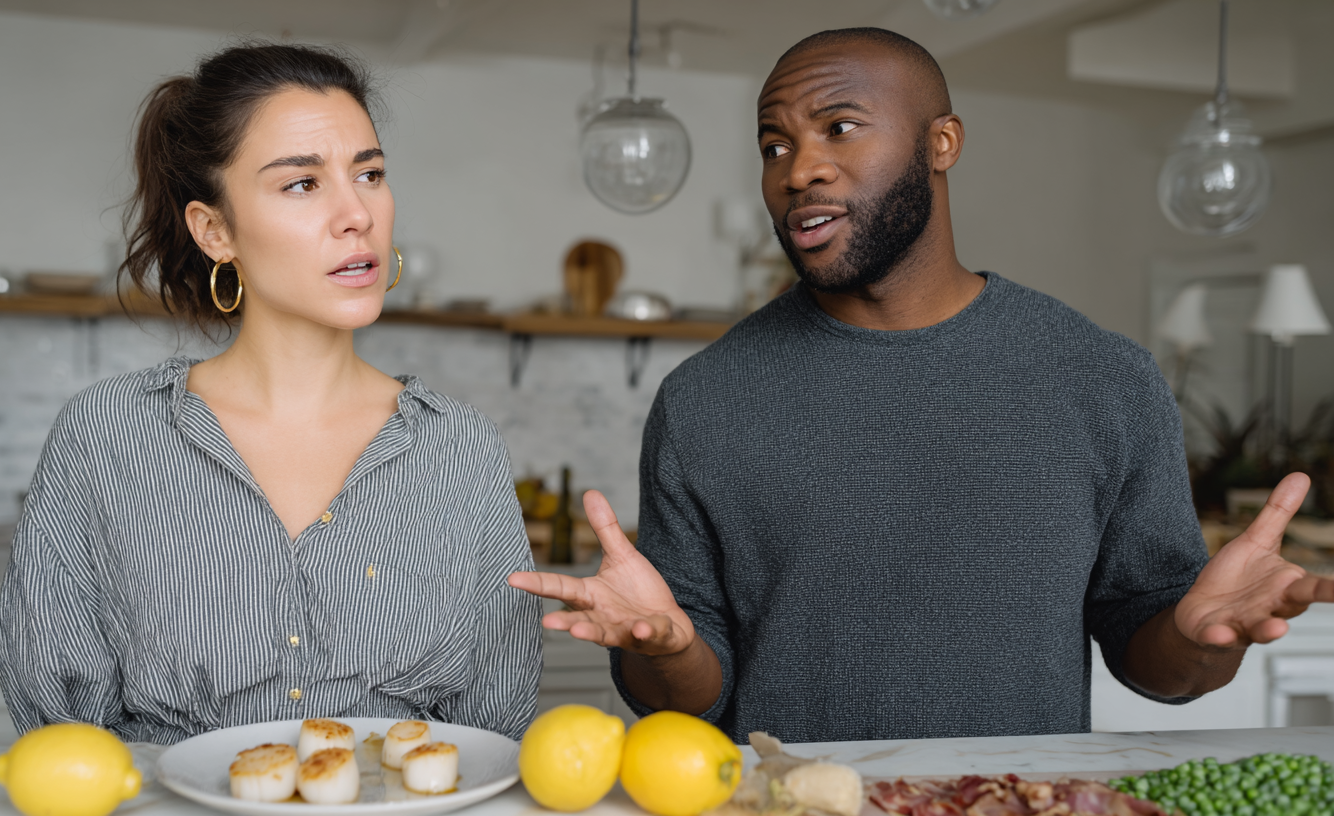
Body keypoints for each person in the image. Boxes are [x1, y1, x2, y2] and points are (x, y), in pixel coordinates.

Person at [509, 28, 1334, 743]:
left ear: (942, 142)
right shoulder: (704, 400)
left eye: (839, 127)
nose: (799, 171)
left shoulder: (1104, 379)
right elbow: (682, 699)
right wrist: (663, 651)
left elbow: (1156, 665)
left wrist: (1203, 636)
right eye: (774, 145)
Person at [0, 43, 541, 744]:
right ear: (215, 230)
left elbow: (493, 732)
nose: (357, 215)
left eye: (369, 174)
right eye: (302, 185)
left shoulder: (461, 448)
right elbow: (62, 736)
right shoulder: (106, 435)